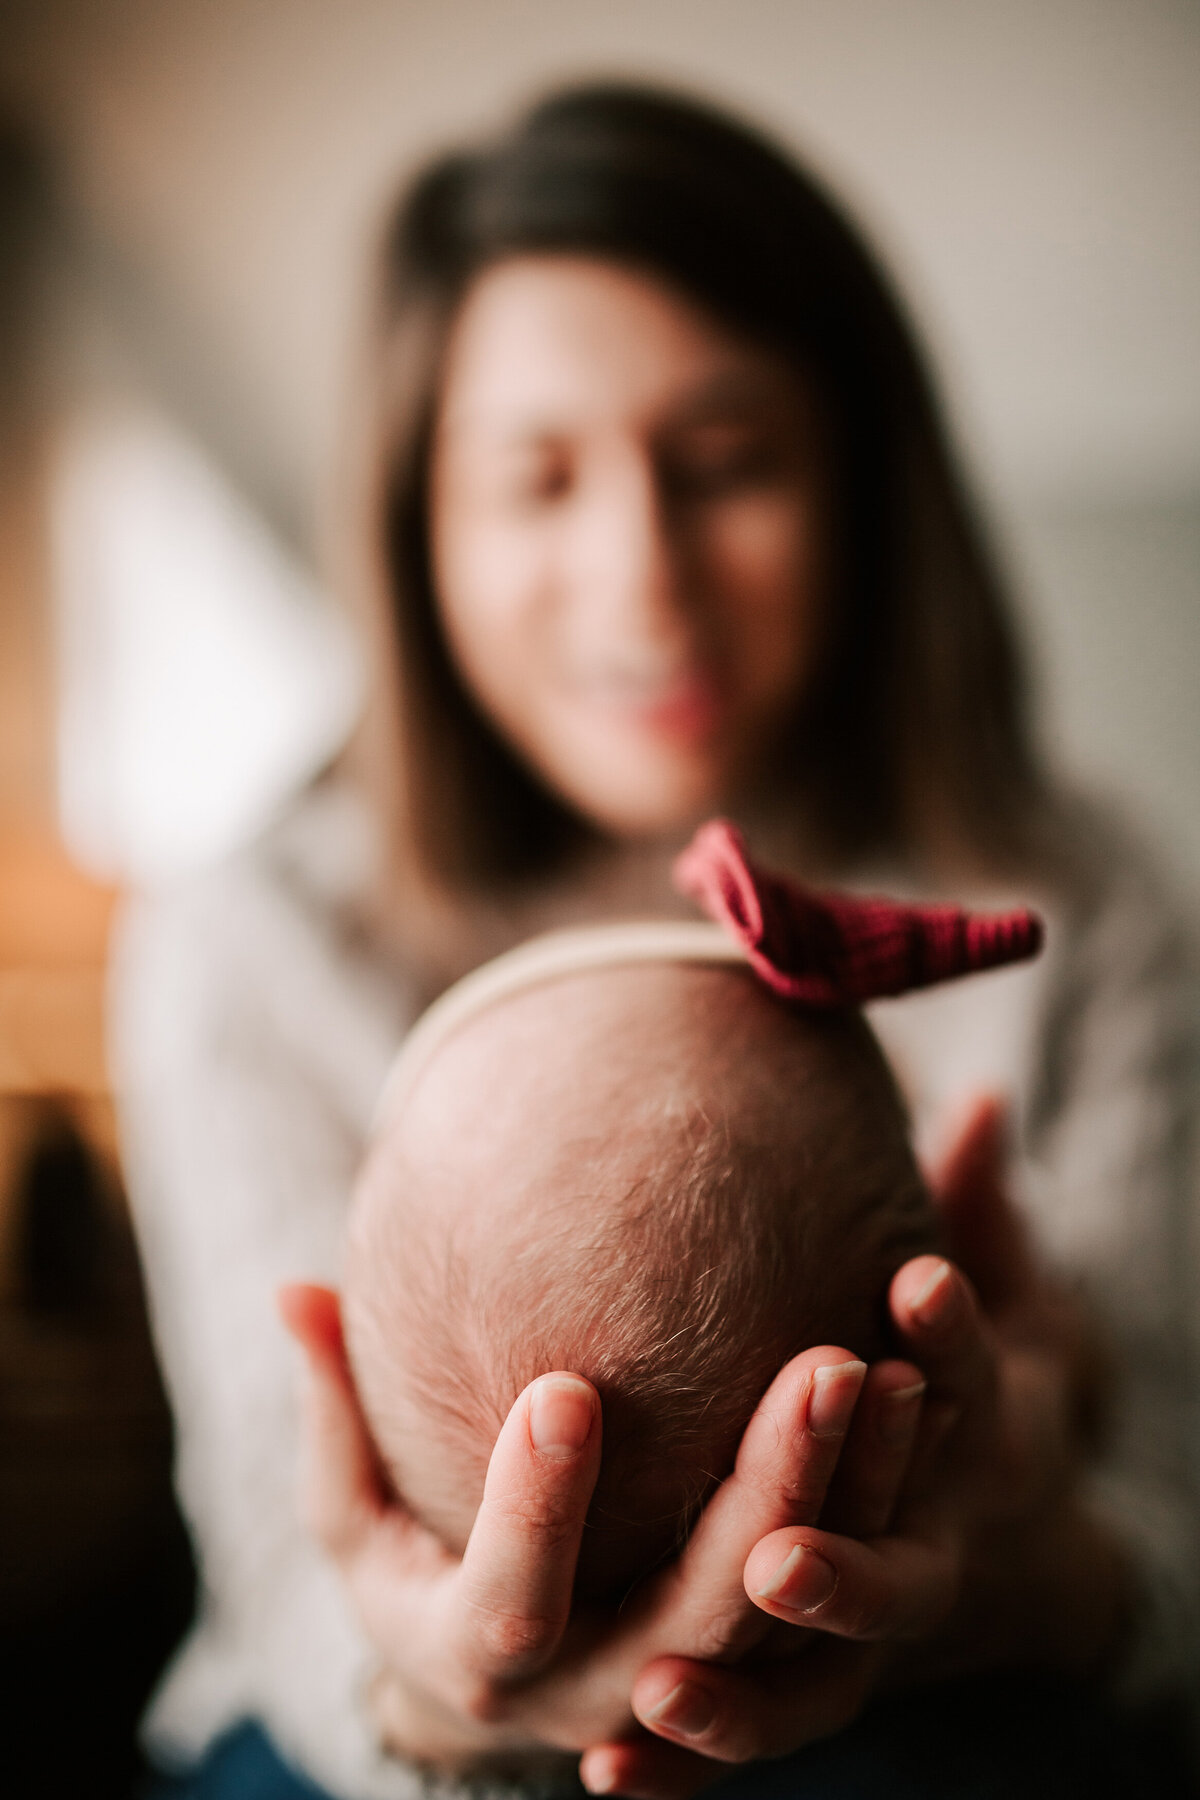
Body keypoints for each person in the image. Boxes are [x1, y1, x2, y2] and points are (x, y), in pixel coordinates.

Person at [111, 81, 1200, 1800]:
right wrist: (455, 1694)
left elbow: (1173, 1523)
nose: (642, 579)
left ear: (860, 483)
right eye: (535, 482)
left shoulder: (1084, 893)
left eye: (727, 463)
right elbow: (282, 1570)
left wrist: (1028, 1560)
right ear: (419, 532)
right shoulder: (250, 942)